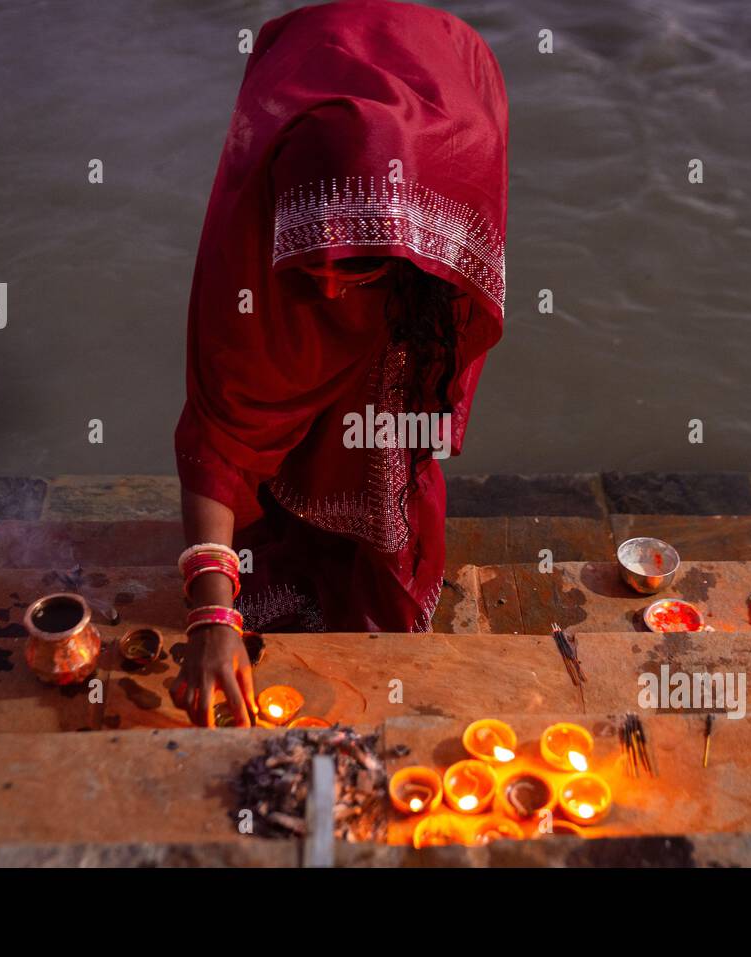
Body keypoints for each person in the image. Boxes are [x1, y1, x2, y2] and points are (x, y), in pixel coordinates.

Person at [172, 0, 508, 727]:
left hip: (428, 238)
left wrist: (403, 291)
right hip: (310, 213)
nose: (348, 286)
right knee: (284, 382)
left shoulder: (436, 237)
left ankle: (368, 568)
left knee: (390, 426)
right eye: (347, 264)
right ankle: (287, 553)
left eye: (365, 265)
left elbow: (437, 303)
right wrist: (211, 614)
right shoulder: (259, 267)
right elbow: (221, 427)